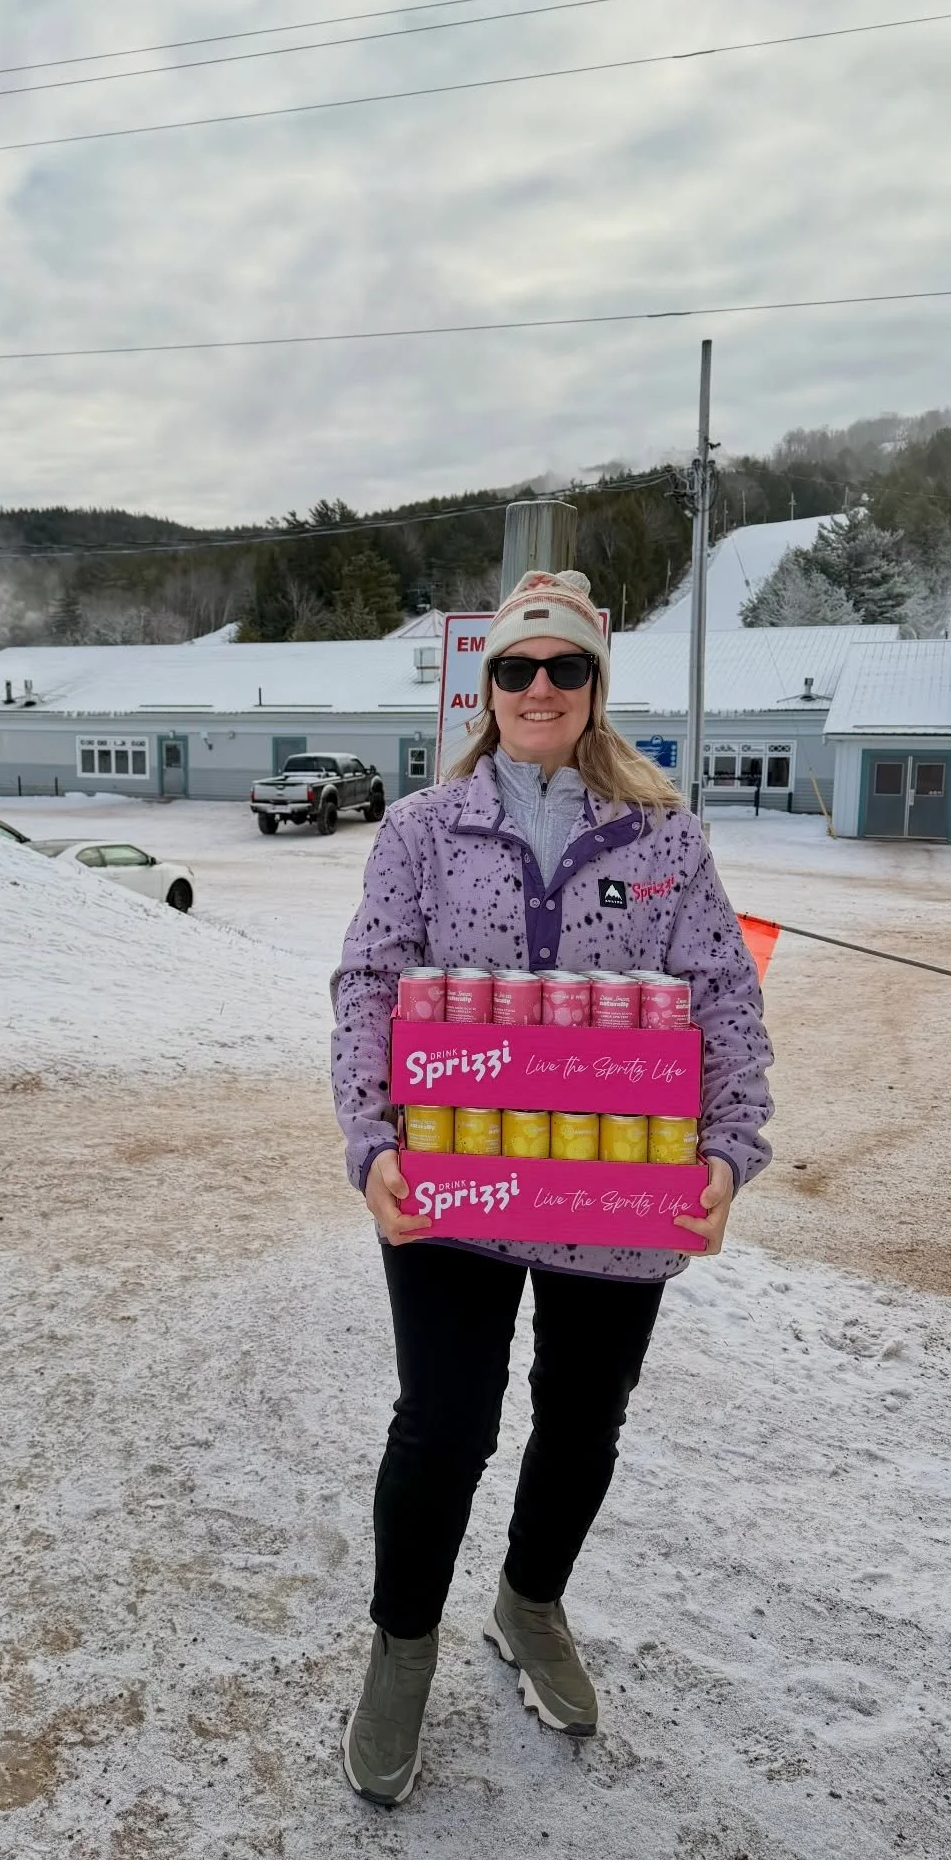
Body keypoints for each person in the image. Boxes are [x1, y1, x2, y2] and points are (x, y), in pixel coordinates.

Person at [330, 568, 773, 1806]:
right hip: (452, 1181)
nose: (539, 688)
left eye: (564, 669)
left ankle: (529, 1607)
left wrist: (730, 1150)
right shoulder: (424, 827)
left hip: (614, 1191)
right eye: (518, 668)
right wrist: (372, 1142)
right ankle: (402, 1647)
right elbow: (369, 983)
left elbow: (726, 996)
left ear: (594, 689)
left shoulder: (665, 834)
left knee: (584, 1420)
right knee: (446, 1425)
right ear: (489, 687)